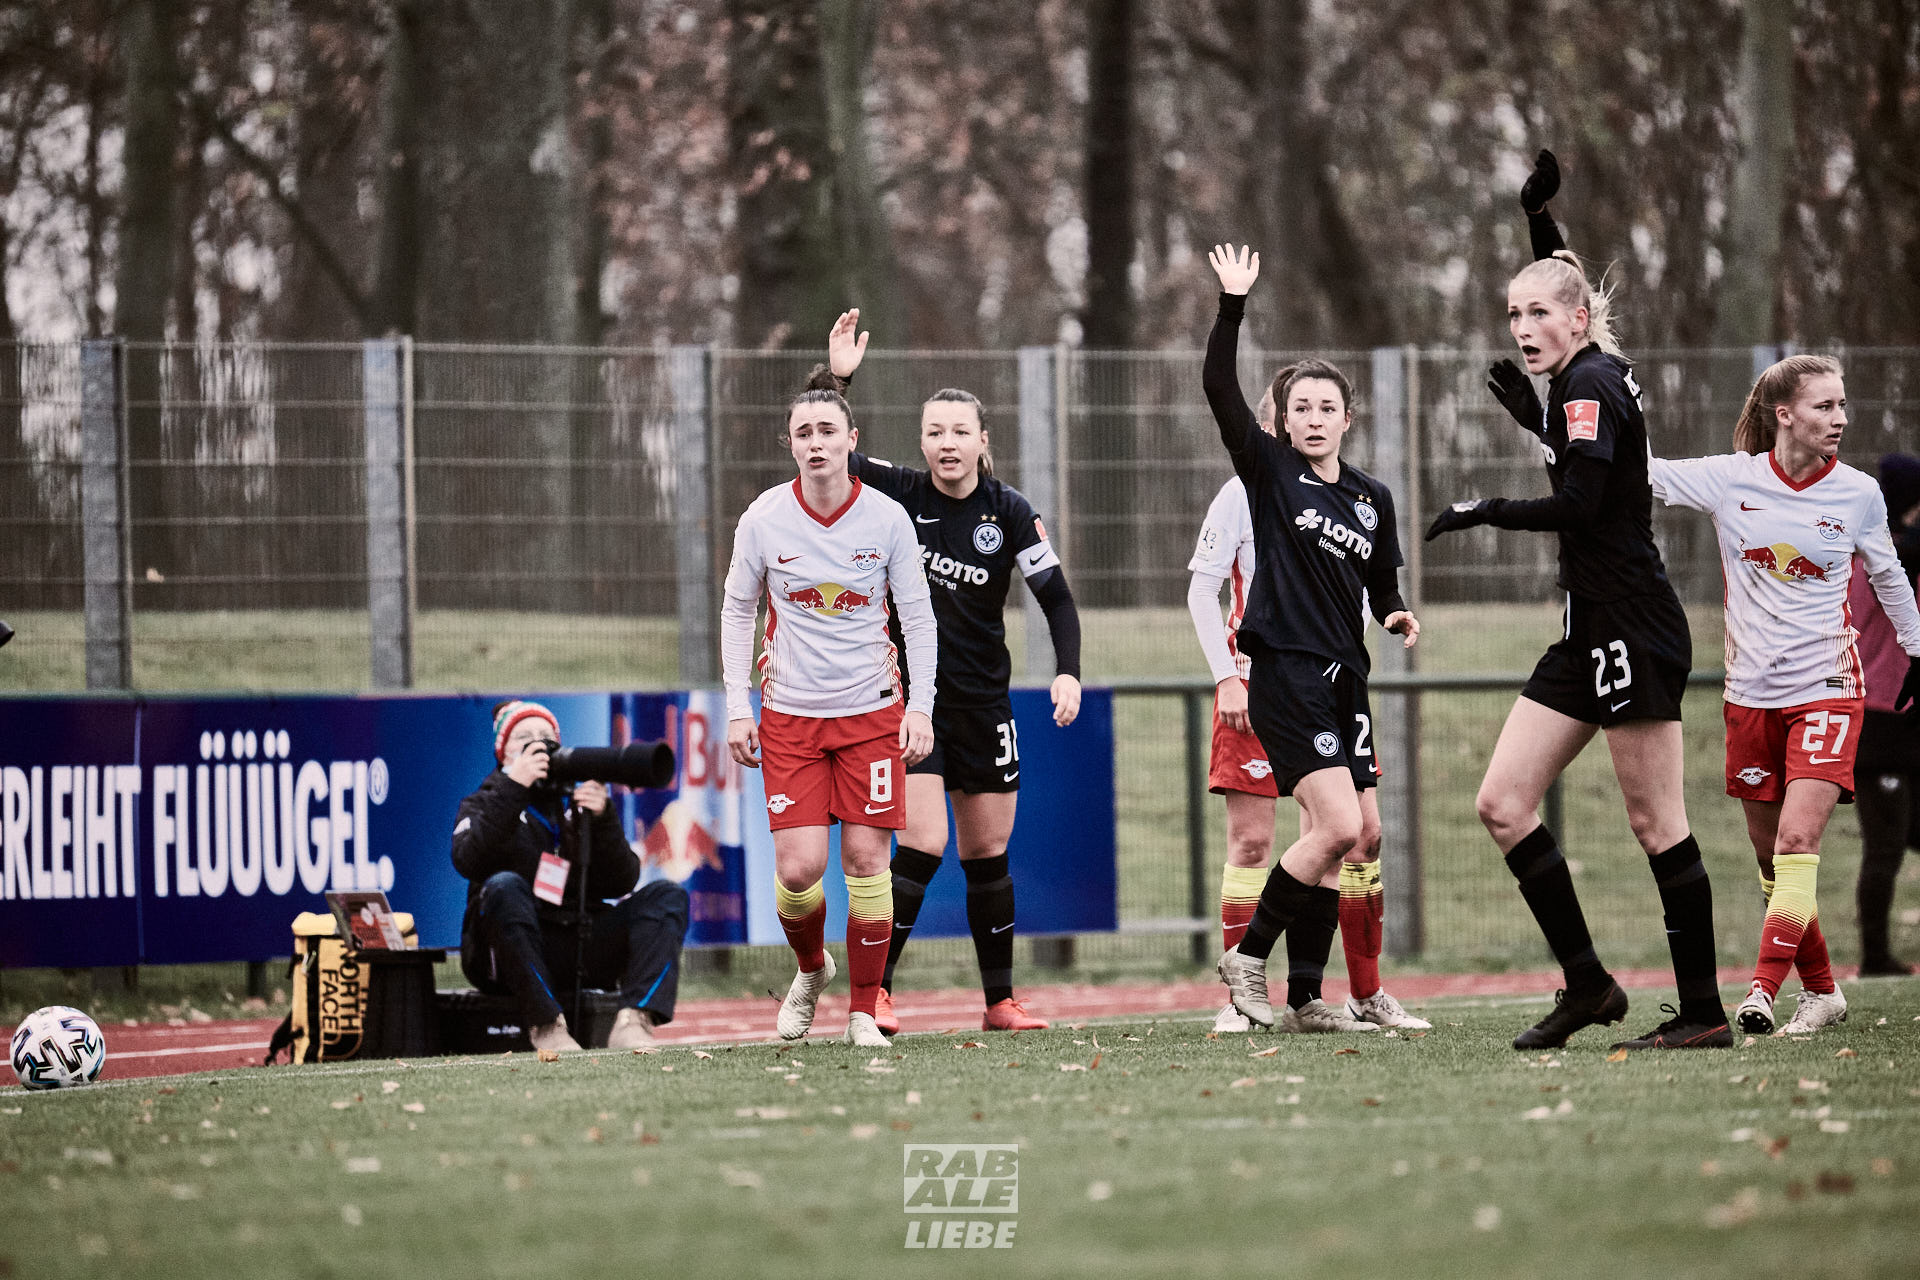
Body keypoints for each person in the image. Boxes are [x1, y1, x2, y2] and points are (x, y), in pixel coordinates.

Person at [1428, 151, 1730, 1051]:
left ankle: (1703, 1013)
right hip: (1586, 626)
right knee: (1503, 803)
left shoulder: (1590, 382)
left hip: (1631, 622)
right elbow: (1562, 285)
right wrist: (1537, 220)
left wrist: (1484, 509)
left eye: (1538, 314)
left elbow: (1582, 505)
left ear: (1580, 320)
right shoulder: (1578, 373)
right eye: (1512, 314)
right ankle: (1589, 985)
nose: (1523, 328)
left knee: (1655, 822)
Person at [823, 310, 1083, 1034]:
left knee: (987, 851)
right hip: (914, 705)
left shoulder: (1011, 511)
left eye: (959, 431)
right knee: (923, 840)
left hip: (985, 706)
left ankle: (999, 1002)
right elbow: (831, 454)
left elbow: (1057, 598)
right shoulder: (902, 494)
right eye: (935, 431)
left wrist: (1068, 671)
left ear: (982, 441)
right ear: (922, 442)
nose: (947, 443)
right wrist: (837, 382)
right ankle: (876, 994)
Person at [1650, 378, 1920, 1035]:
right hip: (1749, 699)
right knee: (1774, 860)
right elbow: (1641, 473)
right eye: (1825, 405)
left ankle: (1763, 992)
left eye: (1843, 403)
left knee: (1799, 842)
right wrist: (1572, 411)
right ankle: (1823, 992)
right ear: (1785, 414)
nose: (1841, 417)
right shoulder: (1731, 479)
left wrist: (1917, 650)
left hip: (1829, 689)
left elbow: (1888, 575)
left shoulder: (1858, 492)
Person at [1202, 244, 1421, 1035]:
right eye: (1303, 408)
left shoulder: (1371, 497)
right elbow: (1218, 386)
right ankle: (1247, 960)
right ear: (1284, 420)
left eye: (1328, 408)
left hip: (1346, 677)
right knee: (1334, 827)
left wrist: (1396, 614)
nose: (1316, 418)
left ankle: (1304, 999)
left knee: (1361, 834)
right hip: (1287, 671)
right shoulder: (1269, 473)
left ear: (1346, 420)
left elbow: (1382, 584)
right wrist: (1233, 306)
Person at [722, 368, 938, 1049]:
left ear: (851, 438)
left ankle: (863, 1012)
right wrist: (737, 706)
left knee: (868, 862)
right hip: (789, 717)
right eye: (803, 433)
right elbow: (737, 611)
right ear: (789, 444)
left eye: (826, 431)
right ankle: (812, 967)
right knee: (798, 870)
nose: (815, 443)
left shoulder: (887, 517)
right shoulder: (763, 518)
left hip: (872, 714)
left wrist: (921, 707)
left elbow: (918, 617)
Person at [452, 700, 689, 1053]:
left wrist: (603, 818)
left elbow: (621, 882)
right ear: (503, 754)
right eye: (524, 738)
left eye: (546, 736)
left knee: (667, 896)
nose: (538, 744)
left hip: (575, 943)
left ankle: (634, 1019)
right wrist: (514, 788)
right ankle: (546, 1024)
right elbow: (469, 860)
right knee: (504, 886)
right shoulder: (483, 802)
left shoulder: (574, 803)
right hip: (511, 950)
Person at [1851, 454, 1920, 975]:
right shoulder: (1881, 555)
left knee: (1903, 835)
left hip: (1906, 722)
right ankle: (1874, 958)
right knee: (1885, 846)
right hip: (1878, 724)